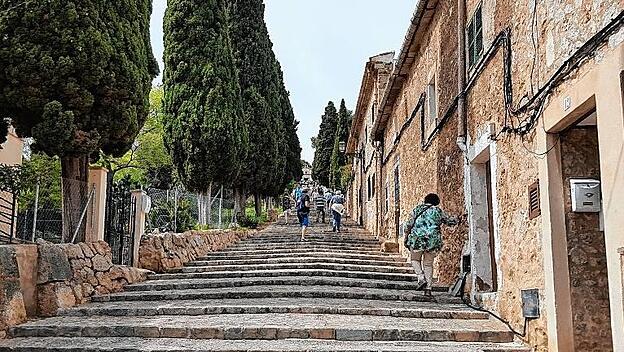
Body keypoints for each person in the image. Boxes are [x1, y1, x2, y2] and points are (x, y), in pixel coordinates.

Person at [403, 193, 458, 297]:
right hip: (432, 240)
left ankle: (421, 278)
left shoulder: (417, 209)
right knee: (428, 264)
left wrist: (406, 236)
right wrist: (458, 217)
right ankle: (428, 289)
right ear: (436, 201)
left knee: (415, 260)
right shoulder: (438, 211)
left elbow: (409, 224)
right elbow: (450, 221)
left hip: (417, 239)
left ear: (425, 200)